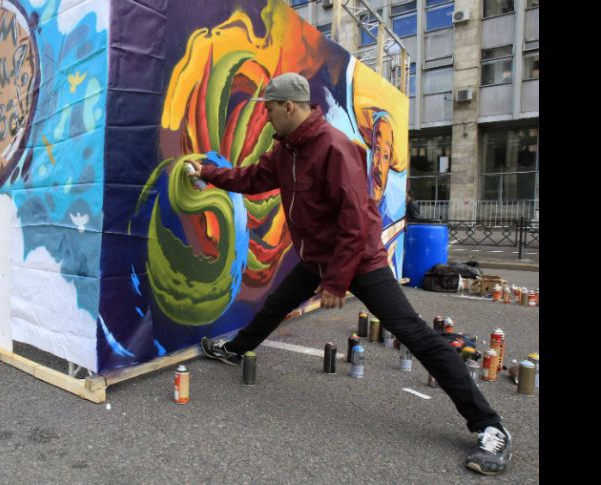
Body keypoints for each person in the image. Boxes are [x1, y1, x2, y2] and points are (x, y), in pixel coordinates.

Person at [188, 72, 512, 476]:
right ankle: (235, 351)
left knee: (415, 335)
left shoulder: (334, 148)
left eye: (269, 109)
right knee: (276, 305)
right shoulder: (285, 150)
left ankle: (490, 427)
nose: (266, 117)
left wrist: (336, 281)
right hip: (317, 258)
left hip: (360, 261)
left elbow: (357, 223)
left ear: (290, 106)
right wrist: (208, 173)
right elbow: (252, 179)